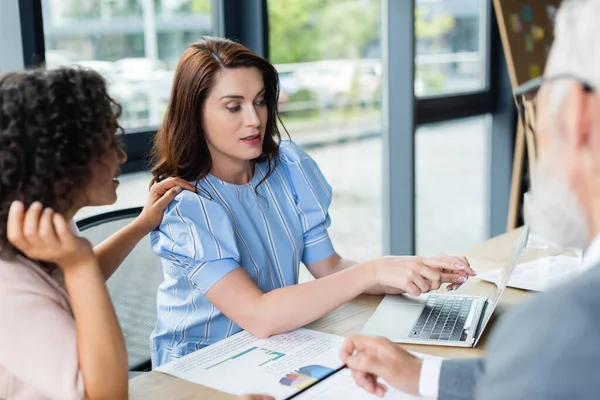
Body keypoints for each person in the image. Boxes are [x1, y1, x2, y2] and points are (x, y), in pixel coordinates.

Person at [149, 36, 476, 367]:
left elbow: (330, 268)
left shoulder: (287, 170)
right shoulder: (185, 205)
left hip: (272, 351)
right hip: (200, 368)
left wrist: (410, 269)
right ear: (195, 114)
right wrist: (372, 270)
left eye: (260, 101)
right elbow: (259, 314)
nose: (255, 120)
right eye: (234, 107)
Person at [338, 1, 600, 399]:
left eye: (540, 96)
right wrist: (418, 373)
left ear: (579, 117)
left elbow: (550, 367)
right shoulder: (556, 348)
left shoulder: (566, 331)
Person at [0, 67, 194, 399]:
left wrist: (141, 225)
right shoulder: (8, 283)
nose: (121, 155)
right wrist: (79, 265)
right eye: (106, 145)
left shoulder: (45, 224)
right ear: (60, 160)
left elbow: (58, 289)